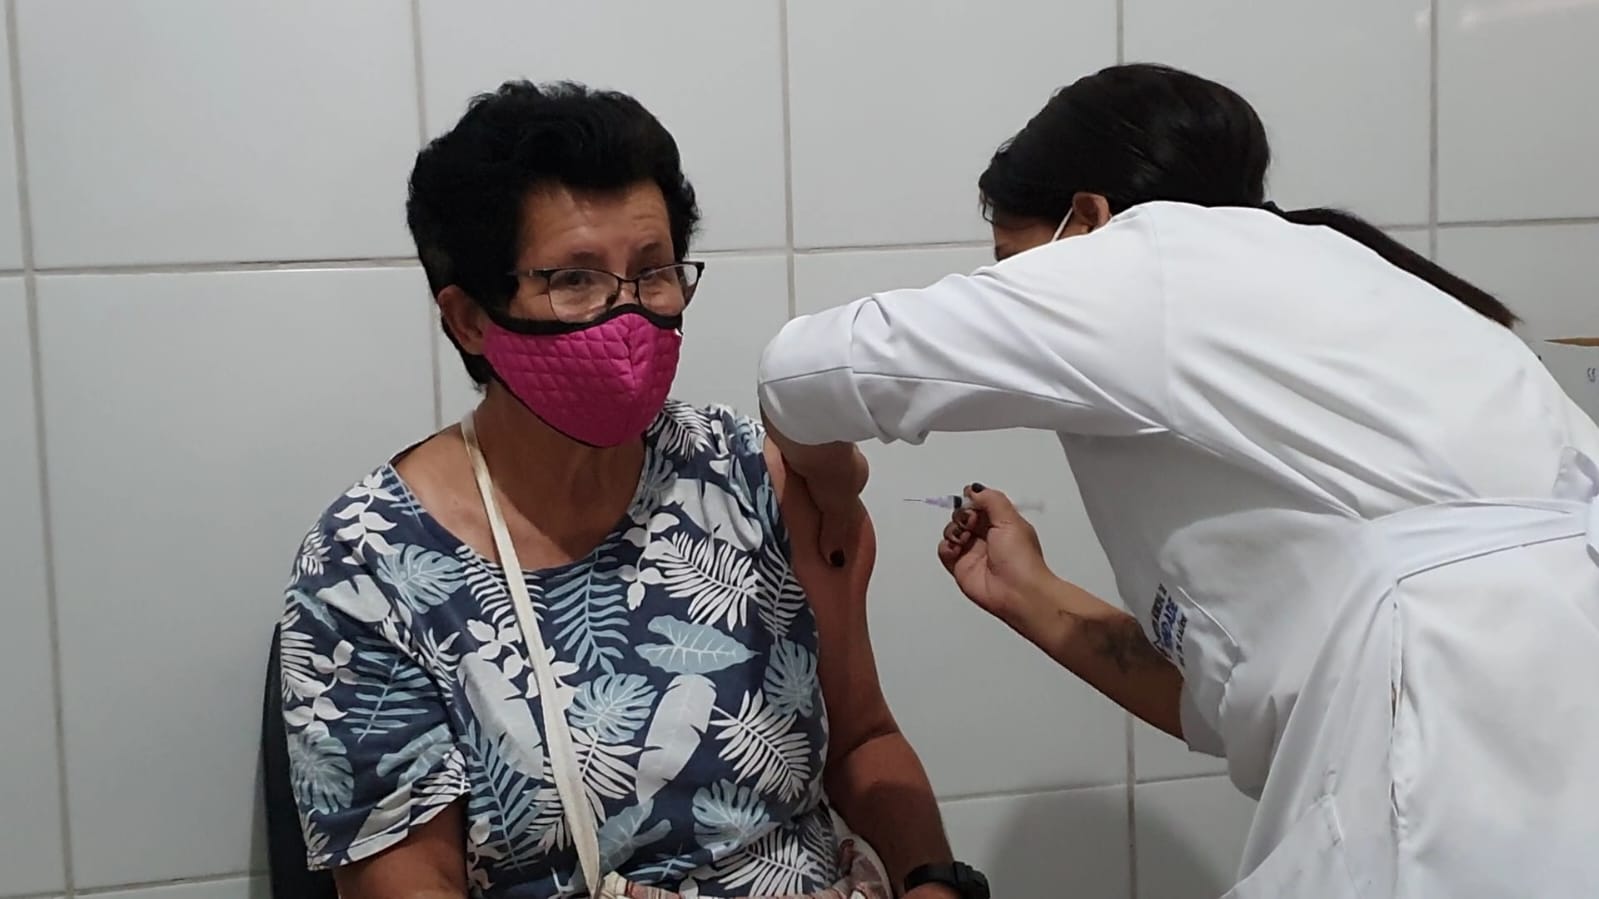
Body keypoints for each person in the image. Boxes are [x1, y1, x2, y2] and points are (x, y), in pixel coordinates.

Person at [757, 63, 1599, 898]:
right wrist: (1031, 594)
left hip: (1462, 770)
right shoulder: (1360, 290)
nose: (1012, 295)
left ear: (1088, 217)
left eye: (1011, 264)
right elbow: (1237, 709)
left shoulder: (1148, 262)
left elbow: (802, 371)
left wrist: (832, 483)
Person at [279, 81, 979, 899]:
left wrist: (933, 880)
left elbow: (861, 739)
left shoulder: (749, 476)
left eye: (652, 272)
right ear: (470, 319)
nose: (628, 317)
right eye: (575, 280)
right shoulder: (370, 567)